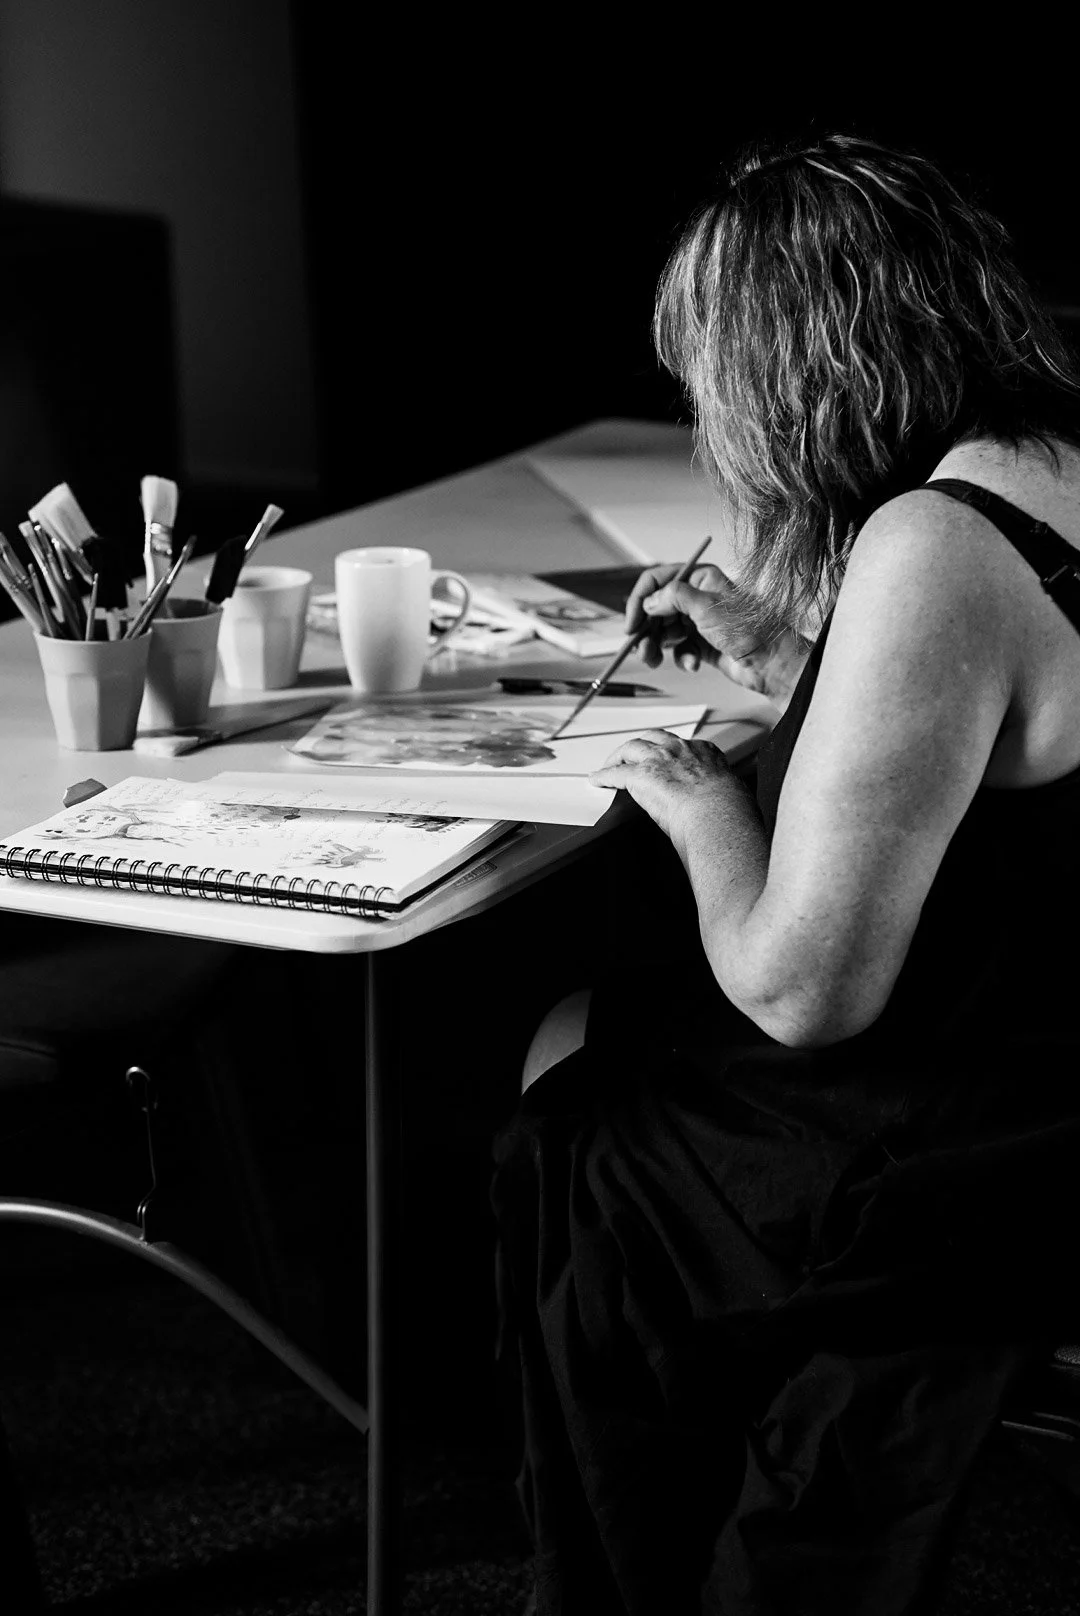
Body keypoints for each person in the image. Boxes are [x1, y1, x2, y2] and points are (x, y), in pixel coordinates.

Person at [492, 131, 1080, 1616]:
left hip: (995, 1138)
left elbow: (807, 992)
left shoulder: (931, 546)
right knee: (591, 1048)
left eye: (715, 391)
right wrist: (786, 655)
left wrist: (701, 812)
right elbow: (993, 741)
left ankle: (642, 1574)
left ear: (802, 376)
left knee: (581, 1118)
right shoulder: (1044, 470)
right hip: (1061, 1028)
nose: (711, 427)